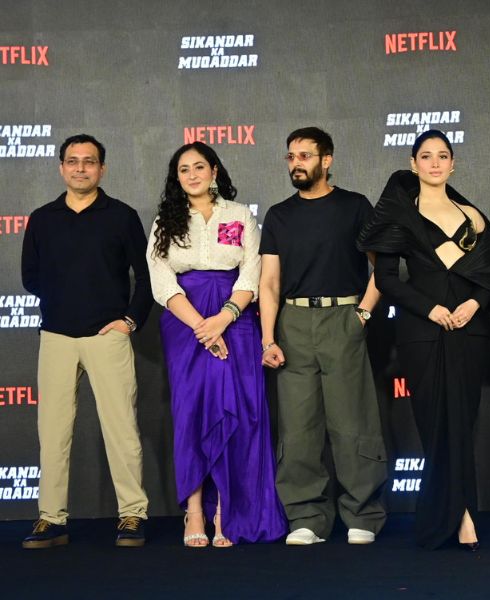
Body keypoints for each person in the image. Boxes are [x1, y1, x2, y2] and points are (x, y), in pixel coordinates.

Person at [358, 129, 490, 550]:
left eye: (443, 155)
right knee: (434, 425)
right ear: (413, 164)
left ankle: (464, 513)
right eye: (426, 156)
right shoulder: (399, 216)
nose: (435, 163)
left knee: (463, 422)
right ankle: (452, 514)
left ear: (453, 164)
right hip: (421, 333)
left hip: (469, 330)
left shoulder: (472, 216)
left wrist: (474, 305)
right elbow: (387, 279)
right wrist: (430, 309)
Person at [147, 141, 286, 547]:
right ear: (176, 178)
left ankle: (227, 510)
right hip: (185, 323)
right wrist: (201, 327)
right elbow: (160, 278)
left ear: (214, 171)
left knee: (237, 410)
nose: (192, 175)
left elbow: (252, 272)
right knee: (191, 411)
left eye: (199, 167)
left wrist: (223, 318)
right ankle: (194, 512)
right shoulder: (165, 221)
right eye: (183, 169)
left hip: (236, 321)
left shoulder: (239, 215)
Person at [21, 134, 153, 548]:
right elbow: (30, 277)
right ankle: (51, 518)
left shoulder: (122, 216)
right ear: (61, 167)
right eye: (73, 161)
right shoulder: (42, 218)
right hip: (56, 337)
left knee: (122, 429)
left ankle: (132, 514)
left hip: (108, 337)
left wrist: (129, 321)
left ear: (102, 169)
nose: (81, 168)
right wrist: (66, 301)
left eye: (89, 161)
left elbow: (147, 276)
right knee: (53, 433)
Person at [259, 127, 387, 545]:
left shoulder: (354, 206)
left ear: (326, 160)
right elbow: (269, 283)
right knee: (298, 427)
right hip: (293, 323)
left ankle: (362, 515)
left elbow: (383, 266)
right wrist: (268, 338)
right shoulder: (279, 215)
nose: (296, 163)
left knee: (352, 421)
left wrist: (362, 314)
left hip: (342, 317)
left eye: (305, 156)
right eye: (291, 156)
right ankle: (306, 517)